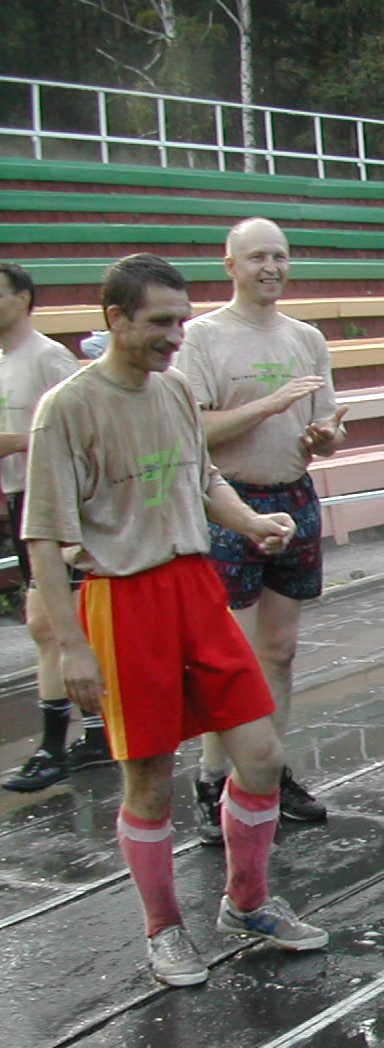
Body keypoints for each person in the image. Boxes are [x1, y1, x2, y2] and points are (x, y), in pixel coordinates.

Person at [23, 253, 328, 986]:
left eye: (182, 321)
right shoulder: (67, 407)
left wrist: (253, 522)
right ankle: (163, 930)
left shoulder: (176, 390)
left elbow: (205, 480)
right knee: (150, 782)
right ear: (115, 319)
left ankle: (247, 903)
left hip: (197, 588)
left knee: (260, 755)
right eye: (160, 322)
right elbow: (42, 539)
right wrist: (73, 648)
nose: (175, 335)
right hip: (122, 600)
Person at [176, 217, 346, 838]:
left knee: (279, 650)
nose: (271, 267)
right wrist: (270, 404)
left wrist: (326, 437)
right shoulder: (201, 338)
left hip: (293, 496)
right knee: (232, 657)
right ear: (230, 265)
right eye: (257, 257)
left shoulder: (306, 337)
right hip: (228, 502)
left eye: (280, 256)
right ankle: (214, 778)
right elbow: (193, 429)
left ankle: (268, 771)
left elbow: (328, 426)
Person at [1, 262, 112, 791]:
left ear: (24, 298)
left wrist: (17, 443)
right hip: (19, 498)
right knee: (49, 623)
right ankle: (95, 734)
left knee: (49, 622)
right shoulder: (4, 361)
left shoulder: (48, 357)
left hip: (55, 502)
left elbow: (83, 430)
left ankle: (53, 747)